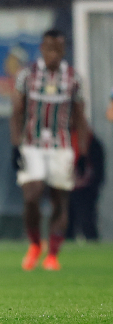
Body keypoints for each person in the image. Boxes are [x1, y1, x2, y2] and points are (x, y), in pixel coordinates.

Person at [10, 29, 89, 271]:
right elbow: (17, 112)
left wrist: (83, 152)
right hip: (32, 144)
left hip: (61, 145)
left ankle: (52, 254)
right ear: (42, 49)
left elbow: (79, 117)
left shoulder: (74, 78)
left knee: (59, 199)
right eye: (49, 48)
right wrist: (16, 145)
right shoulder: (27, 76)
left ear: (63, 51)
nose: (53, 54)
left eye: (58, 49)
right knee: (32, 195)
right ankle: (35, 243)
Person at [67, 129, 104, 241]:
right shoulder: (64, 139)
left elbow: (98, 168)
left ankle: (93, 247)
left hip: (85, 189)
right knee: (66, 224)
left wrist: (93, 186)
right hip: (67, 188)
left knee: (87, 221)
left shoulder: (92, 141)